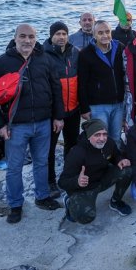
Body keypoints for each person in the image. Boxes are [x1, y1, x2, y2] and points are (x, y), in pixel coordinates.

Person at [0, 24, 64, 224]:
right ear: (15, 38)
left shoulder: (44, 59)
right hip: (16, 126)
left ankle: (42, 197)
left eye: (31, 37)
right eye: (23, 36)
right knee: (14, 167)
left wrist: (58, 117)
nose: (27, 40)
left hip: (43, 122)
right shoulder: (2, 62)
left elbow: (56, 89)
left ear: (36, 38)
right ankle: (15, 205)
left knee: (41, 162)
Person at [58, 119, 133, 223]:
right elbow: (62, 182)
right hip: (84, 187)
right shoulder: (76, 153)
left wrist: (120, 160)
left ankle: (116, 201)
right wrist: (77, 181)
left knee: (127, 170)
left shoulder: (109, 142)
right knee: (85, 217)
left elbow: (115, 155)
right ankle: (70, 202)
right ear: (89, 136)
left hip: (101, 179)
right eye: (97, 135)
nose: (102, 139)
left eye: (104, 134)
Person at [43, 21, 82, 199]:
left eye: (64, 34)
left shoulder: (75, 52)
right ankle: (50, 180)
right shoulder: (43, 55)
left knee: (71, 146)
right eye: (57, 34)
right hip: (54, 113)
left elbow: (81, 80)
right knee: (49, 149)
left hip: (73, 109)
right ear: (52, 36)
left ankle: (69, 175)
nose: (61, 37)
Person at [77, 20, 126, 144]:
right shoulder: (86, 53)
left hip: (118, 103)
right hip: (97, 106)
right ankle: (100, 163)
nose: (105, 35)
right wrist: (84, 109)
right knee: (100, 139)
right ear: (94, 35)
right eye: (100, 33)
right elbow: (81, 83)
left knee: (116, 137)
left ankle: (116, 162)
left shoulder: (119, 47)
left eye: (107, 32)